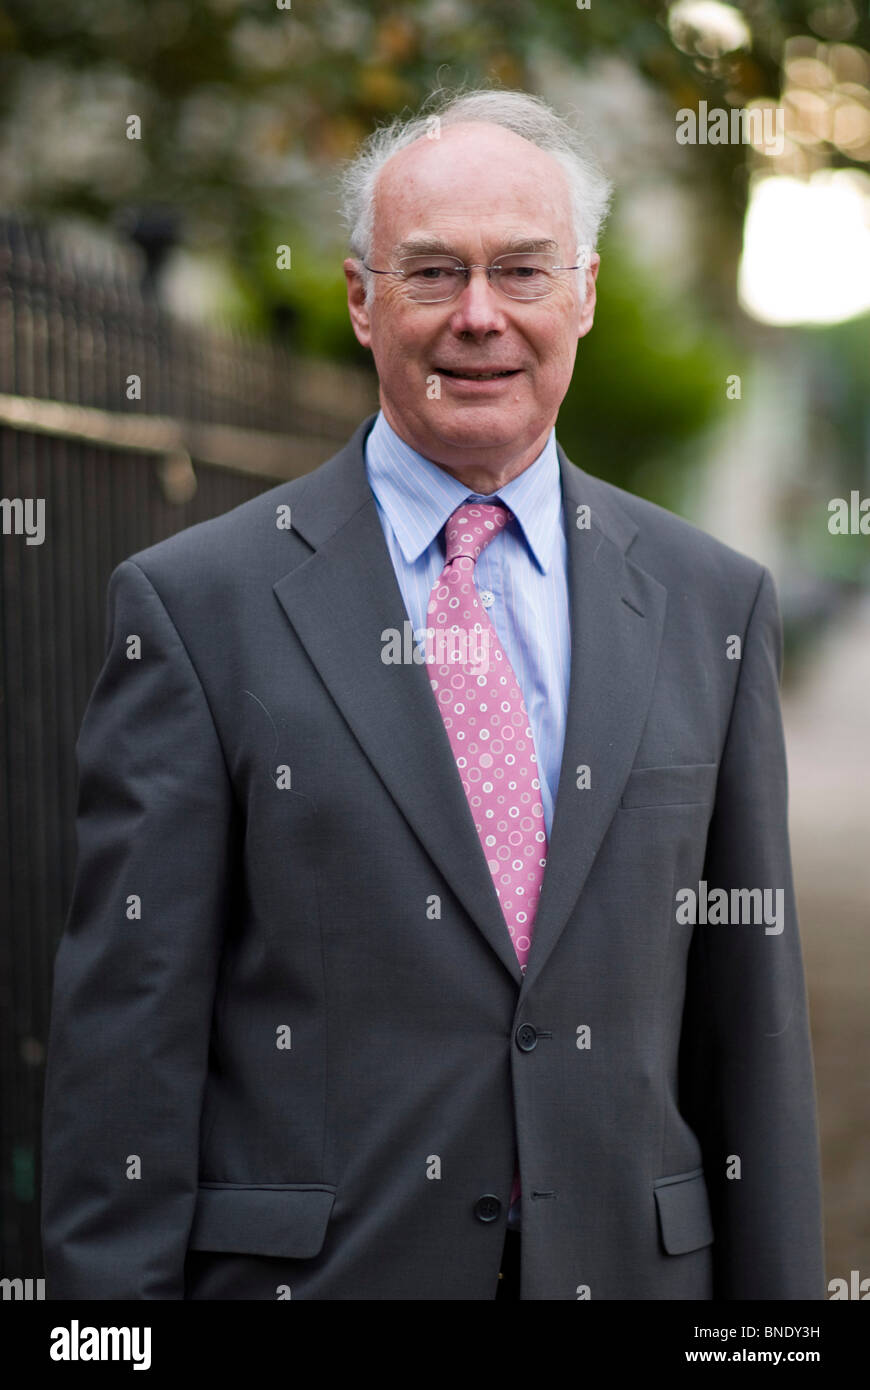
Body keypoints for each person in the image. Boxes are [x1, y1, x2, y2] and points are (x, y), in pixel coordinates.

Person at [41, 87, 825, 1300]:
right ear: (361, 300)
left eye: (521, 270)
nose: (479, 317)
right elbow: (125, 1047)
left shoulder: (712, 602)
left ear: (587, 293)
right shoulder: (197, 608)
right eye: (431, 274)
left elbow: (752, 1037)